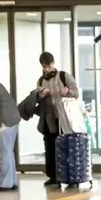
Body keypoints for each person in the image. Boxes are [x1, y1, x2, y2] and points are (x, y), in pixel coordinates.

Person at [35, 52, 80, 187]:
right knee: (50, 148)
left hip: (65, 119)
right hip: (49, 119)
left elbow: (76, 93)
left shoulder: (64, 76)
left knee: (67, 147)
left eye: (48, 66)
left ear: (53, 63)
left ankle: (72, 177)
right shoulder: (41, 80)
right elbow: (37, 98)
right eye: (44, 66)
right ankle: (53, 176)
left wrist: (67, 92)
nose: (46, 69)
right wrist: (40, 95)